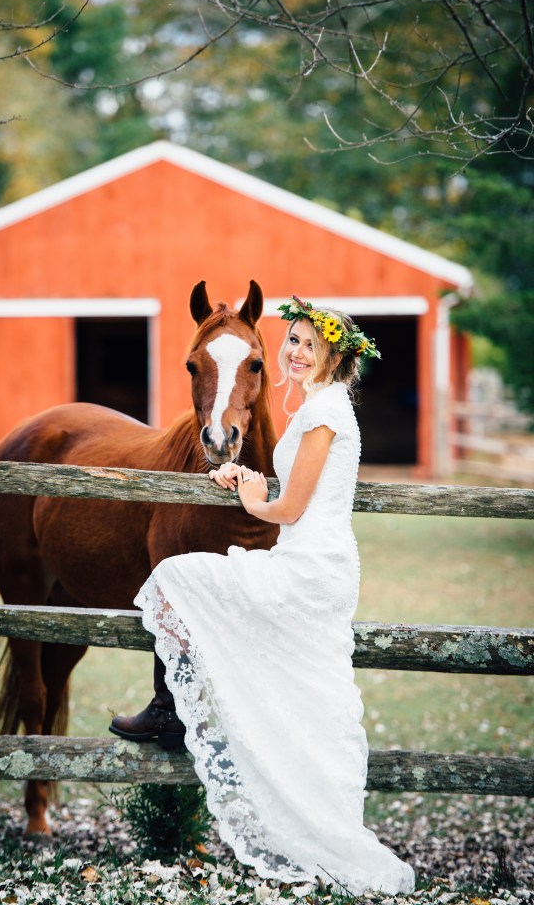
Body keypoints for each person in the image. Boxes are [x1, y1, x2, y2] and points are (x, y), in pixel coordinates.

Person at [110, 296, 415, 895]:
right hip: (308, 558)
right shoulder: (319, 407)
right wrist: (243, 475)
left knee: (175, 578)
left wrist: (254, 502)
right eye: (292, 339)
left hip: (310, 564)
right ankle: (303, 812)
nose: (296, 351)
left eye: (310, 344)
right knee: (309, 695)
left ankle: (179, 709)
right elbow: (300, 486)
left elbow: (291, 508)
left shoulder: (324, 412)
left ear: (335, 357)